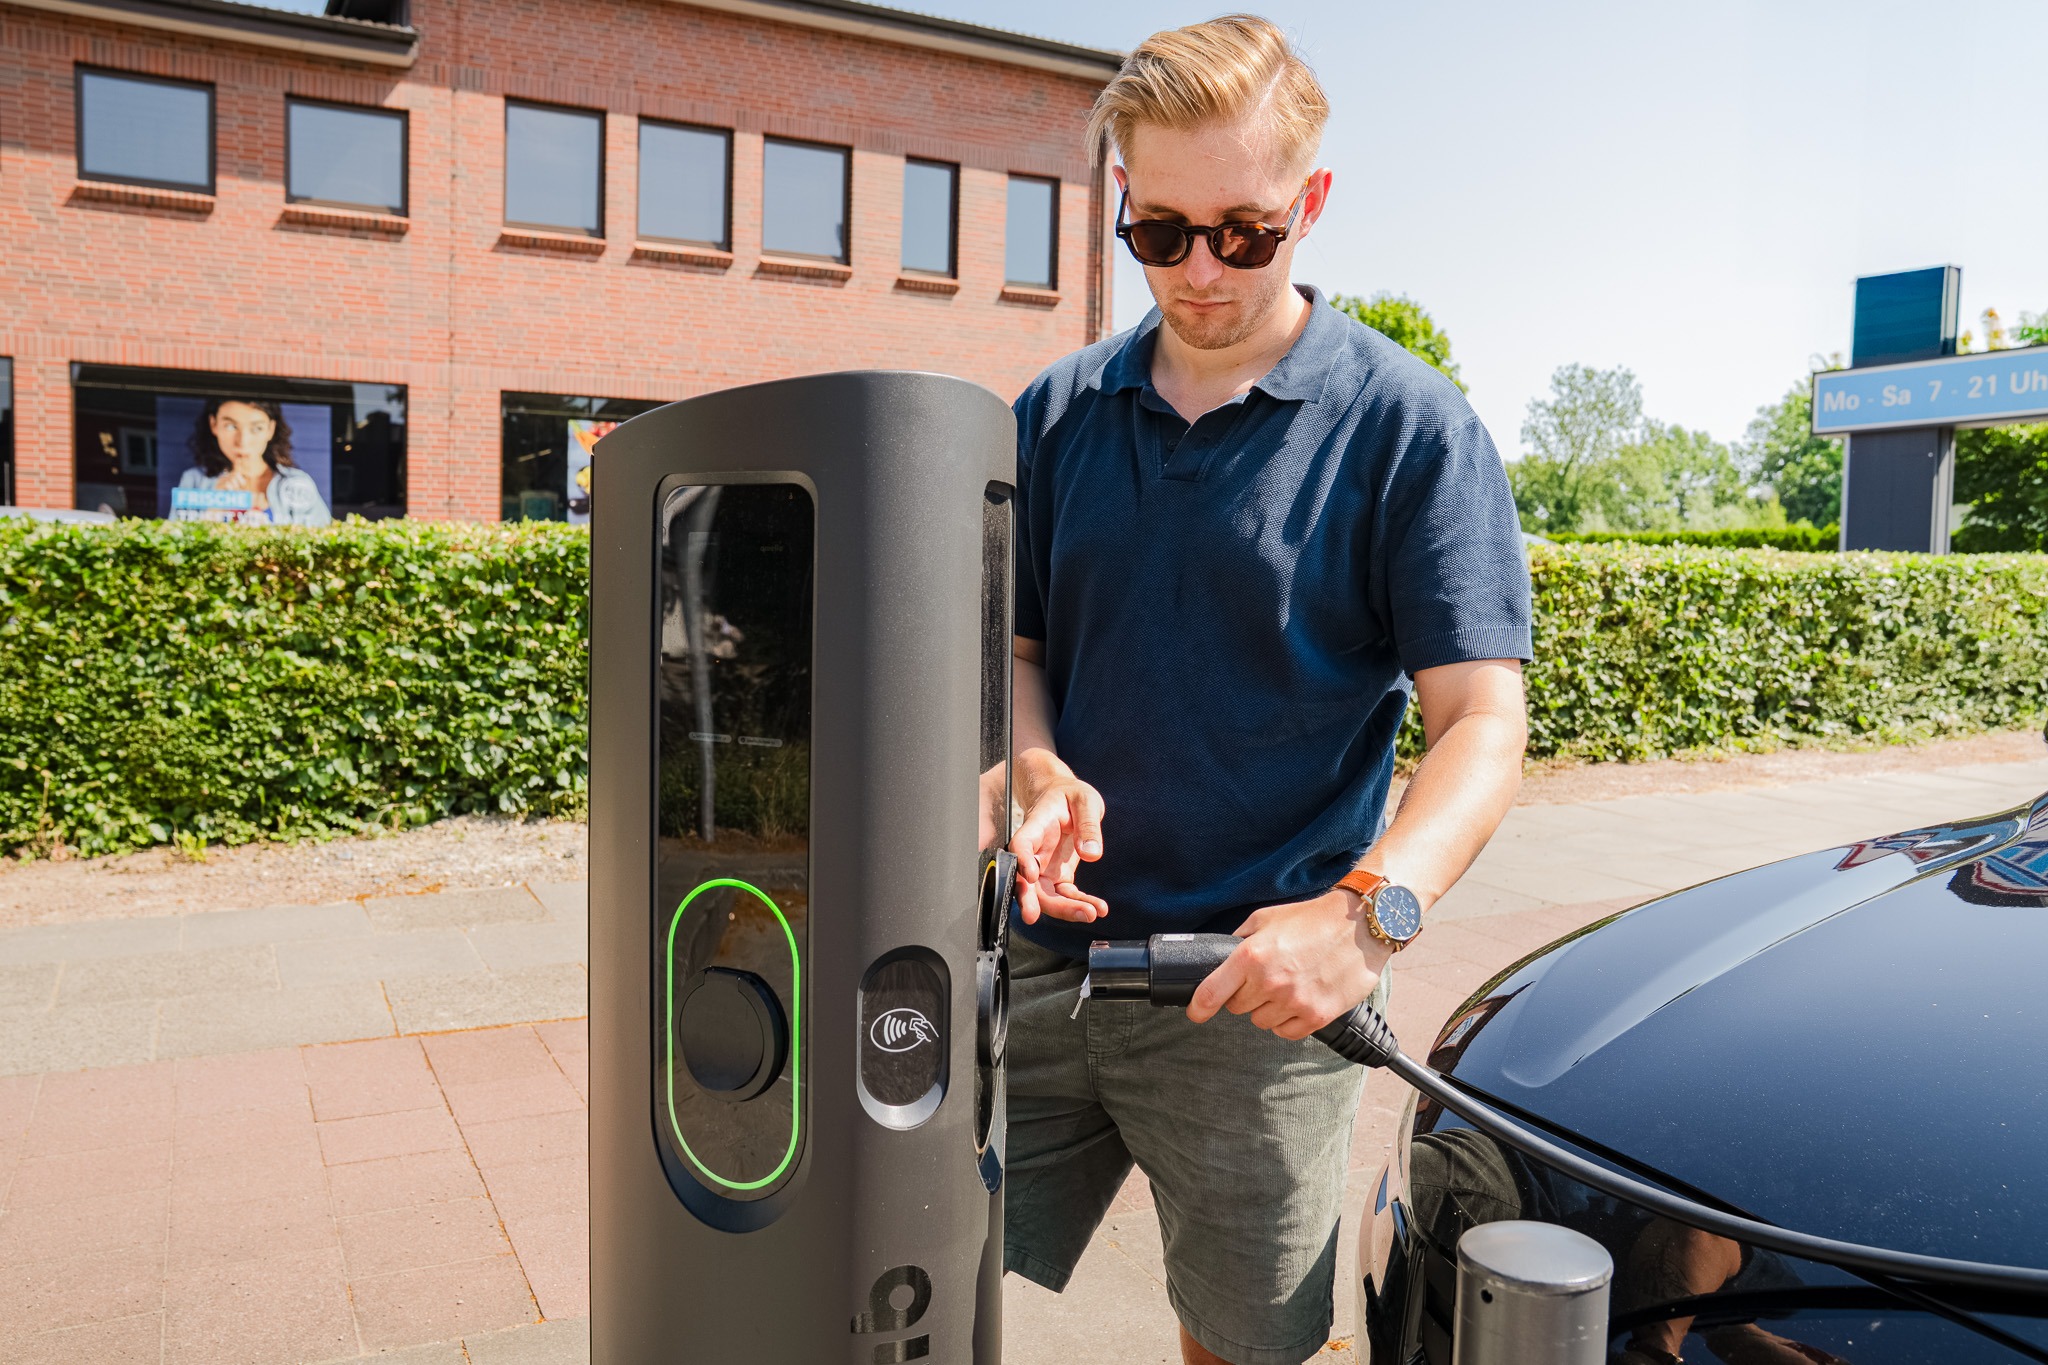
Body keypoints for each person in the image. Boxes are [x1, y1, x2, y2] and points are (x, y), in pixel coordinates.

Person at [1000, 16, 1533, 1365]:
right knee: (894, 1255)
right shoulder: (1052, 413)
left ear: (1314, 203)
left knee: (1241, 1347)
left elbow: (1482, 721)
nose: (1198, 271)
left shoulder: (1409, 426)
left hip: (1265, 991)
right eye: (1159, 231)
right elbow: (1016, 654)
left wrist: (1371, 917)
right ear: (1121, 202)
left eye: (1244, 231)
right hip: (1033, 964)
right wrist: (1035, 767)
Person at [172, 398, 332, 525]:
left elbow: (321, 544)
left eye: (256, 428)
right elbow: (174, 550)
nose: (243, 441)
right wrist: (216, 503)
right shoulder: (193, 481)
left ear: (270, 429)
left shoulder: (296, 483)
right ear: (214, 424)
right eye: (231, 426)